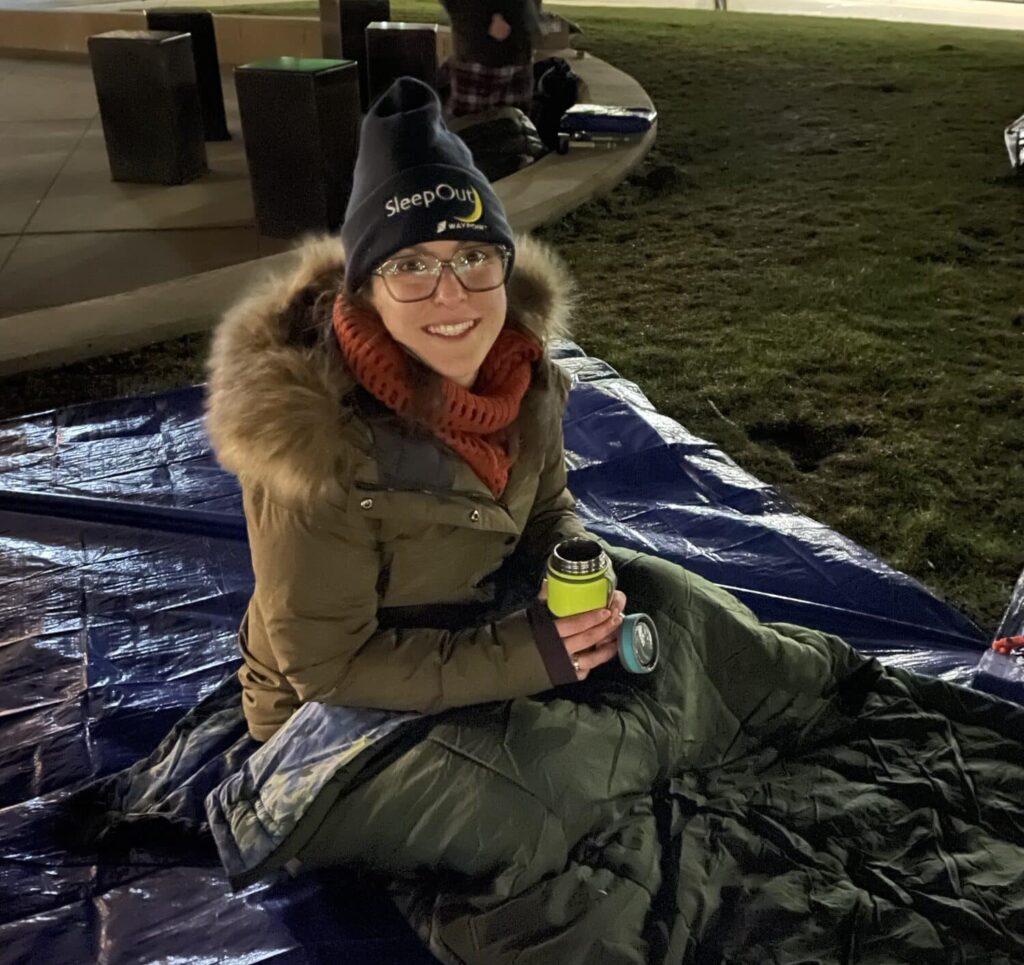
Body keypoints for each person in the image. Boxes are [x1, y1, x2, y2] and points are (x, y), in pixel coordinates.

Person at [205, 76, 625, 742]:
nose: (452, 296)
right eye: (412, 267)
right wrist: (535, 655)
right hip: (329, 720)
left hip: (473, 623)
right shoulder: (310, 443)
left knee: (670, 603)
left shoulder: (521, 374)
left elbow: (547, 507)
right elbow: (328, 668)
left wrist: (574, 564)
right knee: (562, 781)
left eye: (472, 257)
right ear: (368, 288)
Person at [438, 0, 541, 117]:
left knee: (515, 125)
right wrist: (485, 21)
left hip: (514, 51)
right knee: (467, 123)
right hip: (482, 54)